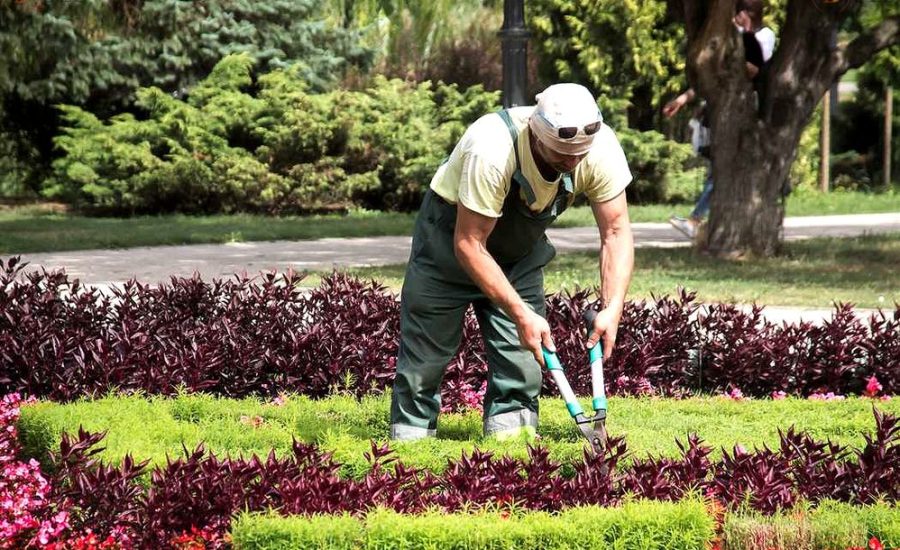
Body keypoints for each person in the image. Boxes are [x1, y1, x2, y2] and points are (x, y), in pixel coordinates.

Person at [389, 83, 634, 441]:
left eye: (579, 155)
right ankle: (411, 451)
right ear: (536, 134)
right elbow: (469, 243)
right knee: (425, 361)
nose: (573, 162)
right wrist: (520, 313)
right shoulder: (492, 148)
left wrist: (612, 307)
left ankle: (512, 450)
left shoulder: (599, 148)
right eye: (562, 154)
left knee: (522, 363)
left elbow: (615, 231)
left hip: (519, 256)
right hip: (449, 247)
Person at [665, 0, 775, 239]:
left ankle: (696, 220)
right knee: (720, 166)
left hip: (748, 109)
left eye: (738, 15)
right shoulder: (736, 37)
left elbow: (754, 69)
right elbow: (714, 74)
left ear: (747, 14)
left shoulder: (765, 36)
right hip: (723, 111)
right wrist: (683, 99)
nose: (734, 20)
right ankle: (699, 220)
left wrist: (741, 40)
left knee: (723, 169)